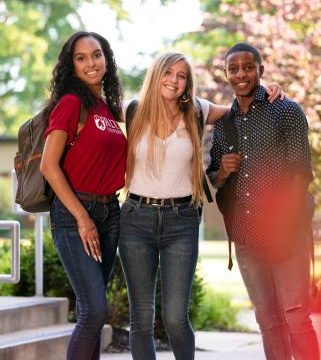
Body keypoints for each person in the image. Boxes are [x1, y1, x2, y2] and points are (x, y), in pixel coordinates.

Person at [118, 51, 284, 360]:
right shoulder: (132, 110)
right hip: (135, 220)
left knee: (175, 318)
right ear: (156, 75)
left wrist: (268, 88)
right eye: (169, 73)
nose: (174, 80)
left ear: (187, 83)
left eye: (182, 76)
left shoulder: (197, 110)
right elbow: (89, 109)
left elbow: (241, 105)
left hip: (181, 221)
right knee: (140, 320)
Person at [207, 43, 320, 360]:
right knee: (268, 321)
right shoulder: (223, 124)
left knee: (296, 315)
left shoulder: (286, 110)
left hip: (287, 232)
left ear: (261, 70)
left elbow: (302, 173)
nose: (241, 74)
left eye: (247, 66)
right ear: (226, 74)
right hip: (245, 237)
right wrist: (223, 172)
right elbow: (214, 178)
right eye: (233, 68)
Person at [40, 31, 127, 360]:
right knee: (93, 312)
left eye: (96, 55)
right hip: (76, 213)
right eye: (81, 57)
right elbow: (49, 166)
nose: (91, 63)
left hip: (109, 213)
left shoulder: (107, 108)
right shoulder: (70, 103)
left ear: (106, 59)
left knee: (96, 313)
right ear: (71, 66)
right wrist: (82, 218)